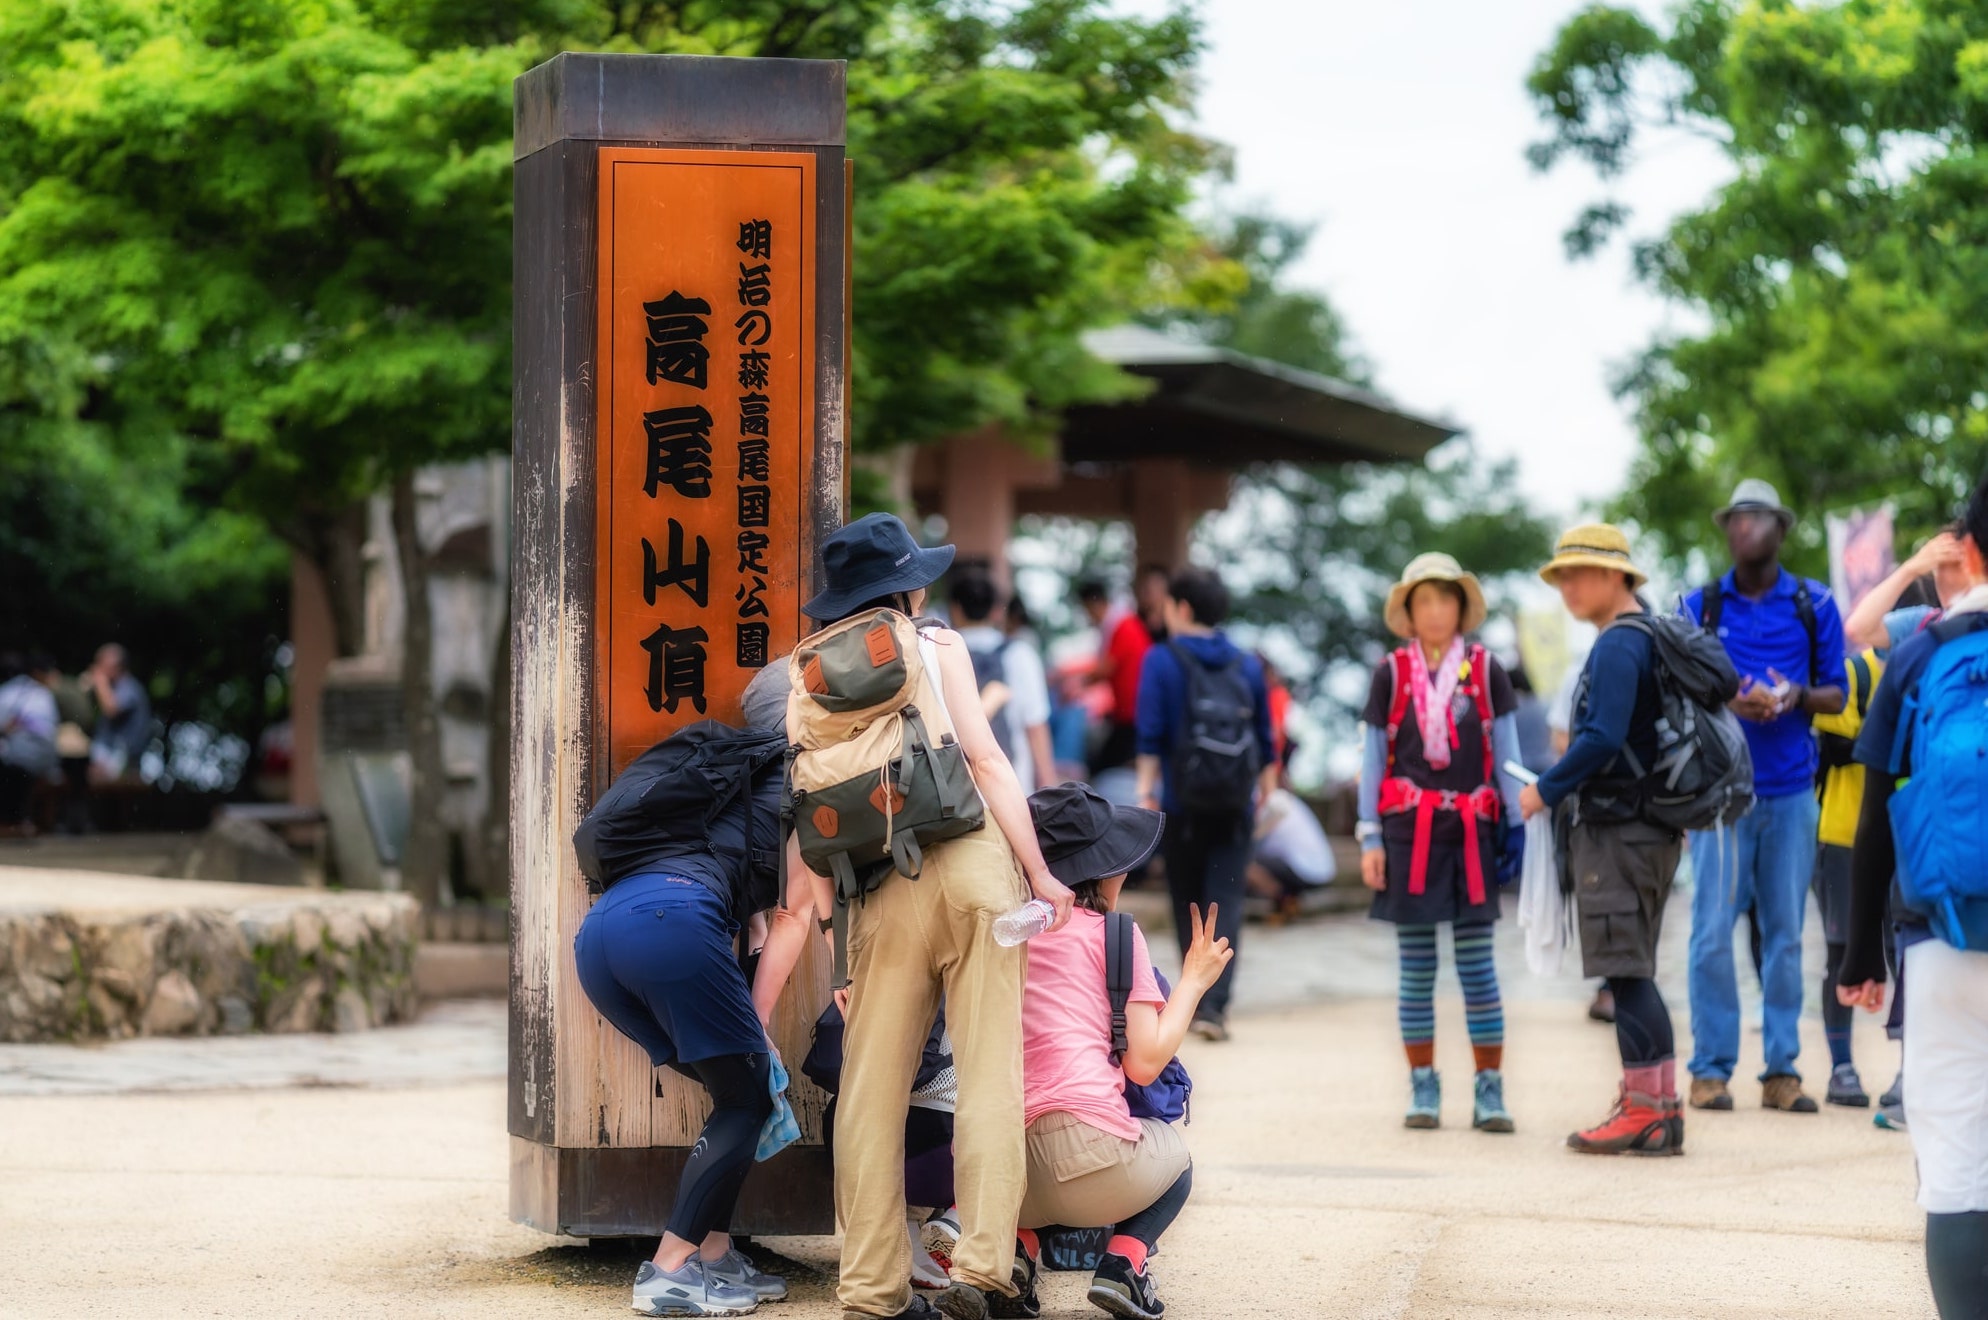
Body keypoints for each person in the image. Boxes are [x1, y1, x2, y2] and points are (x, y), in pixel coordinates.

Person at [751, 512, 1075, 1320]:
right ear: (909, 585)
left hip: (872, 895)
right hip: (970, 871)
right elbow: (988, 761)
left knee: (869, 1092)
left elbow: (807, 823)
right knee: (988, 1073)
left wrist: (841, 957)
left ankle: (871, 1289)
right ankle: (982, 1271)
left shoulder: (801, 680)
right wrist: (1041, 874)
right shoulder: (936, 644)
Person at [570, 711, 795, 1316]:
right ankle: (668, 1269)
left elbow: (747, 922)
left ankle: (715, 1257)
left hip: (600, 940)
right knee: (749, 1096)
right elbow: (781, 920)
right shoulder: (796, 779)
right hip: (675, 922)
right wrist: (759, 1026)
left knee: (740, 1091)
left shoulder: (722, 780)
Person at [1836, 473, 1988, 1319]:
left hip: (1944, 940)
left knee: (1961, 1165)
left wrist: (1862, 956)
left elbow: (1878, 817)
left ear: (1967, 549)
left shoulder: (1927, 651)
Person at [1007, 784, 1226, 1320]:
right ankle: (1124, 1268)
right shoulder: (1114, 936)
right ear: (1103, 870)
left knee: (1043, 1157)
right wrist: (1194, 982)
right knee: (1176, 1162)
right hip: (1097, 1163)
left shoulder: (1004, 934)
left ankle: (1016, 1255)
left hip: (1004, 1173)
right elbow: (1145, 1062)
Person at [1678, 479, 1846, 1114]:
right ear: (1727, 531)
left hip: (1791, 793)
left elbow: (1838, 693)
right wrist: (1731, 696)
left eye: (1758, 519)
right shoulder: (1700, 605)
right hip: (1718, 800)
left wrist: (1795, 696)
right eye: (1736, 520)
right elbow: (1680, 688)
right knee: (1710, 932)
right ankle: (1710, 1070)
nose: (1745, 529)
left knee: (1785, 934)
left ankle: (1782, 1070)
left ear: (1781, 529)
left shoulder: (1814, 604)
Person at [1522, 525, 1687, 1155]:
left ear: (1616, 576)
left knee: (1625, 973)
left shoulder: (1620, 643)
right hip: (1648, 826)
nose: (1567, 586)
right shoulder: (1644, 634)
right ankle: (1659, 1107)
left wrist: (1546, 788)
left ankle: (1643, 1111)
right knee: (1633, 971)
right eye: (1562, 575)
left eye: (1579, 573)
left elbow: (1600, 737)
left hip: (1621, 829)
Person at [1356, 553, 1524, 1132]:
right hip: (1409, 835)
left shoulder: (1484, 669)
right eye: (1423, 600)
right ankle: (1423, 1086)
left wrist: (1519, 824)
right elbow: (1373, 760)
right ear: (1409, 610)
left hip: (1473, 834)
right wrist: (1369, 836)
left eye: (1444, 599)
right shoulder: (1392, 673)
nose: (1435, 611)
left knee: (1479, 968)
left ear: (1460, 608)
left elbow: (1506, 754)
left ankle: (1490, 1089)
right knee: (1417, 968)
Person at [1133, 567, 1276, 1043]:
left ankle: (1193, 1002)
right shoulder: (1248, 664)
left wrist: (1146, 792)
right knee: (1226, 899)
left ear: (1183, 608)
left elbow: (1150, 736)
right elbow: (1265, 739)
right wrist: (1266, 790)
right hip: (1236, 801)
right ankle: (1216, 1008)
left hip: (1182, 802)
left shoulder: (1161, 659)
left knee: (1187, 902)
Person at [1810, 644, 1885, 1108]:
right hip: (1841, 831)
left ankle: (1908, 1070)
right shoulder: (1857, 671)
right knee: (1840, 951)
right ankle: (1842, 1067)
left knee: (1908, 955)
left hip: (1908, 832)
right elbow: (1831, 744)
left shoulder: (1941, 664)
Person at [952, 569, 1055, 795]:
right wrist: (1048, 782)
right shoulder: (1020, 653)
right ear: (997, 612)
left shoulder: (943, 654)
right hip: (1013, 784)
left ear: (956, 609)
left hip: (960, 788)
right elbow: (1035, 725)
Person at [1843, 526, 1971, 652]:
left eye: (1954, 564)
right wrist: (1910, 569)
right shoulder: (1924, 623)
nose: (1942, 576)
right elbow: (1857, 628)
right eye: (1937, 565)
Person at [1092, 565, 1169, 772]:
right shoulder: (1135, 623)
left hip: (1147, 713)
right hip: (1132, 712)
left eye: (1151, 590)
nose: (1146, 596)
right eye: (1143, 590)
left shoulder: (1170, 633)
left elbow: (1107, 667)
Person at [1246, 786, 1337, 922]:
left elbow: (1251, 844)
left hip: (1304, 870)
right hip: (1324, 870)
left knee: (1242, 863)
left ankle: (1283, 897)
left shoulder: (1263, 801)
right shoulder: (1283, 797)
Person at [0, 654, 60, 827]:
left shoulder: (6, 692)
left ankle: (11, 820)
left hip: (17, 758)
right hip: (42, 760)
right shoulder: (42, 694)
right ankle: (20, 820)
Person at [84, 644, 150, 783]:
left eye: (101, 665)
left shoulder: (129, 687)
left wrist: (99, 681)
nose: (97, 669)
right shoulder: (113, 687)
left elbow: (111, 709)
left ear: (116, 667)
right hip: (113, 754)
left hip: (123, 757)